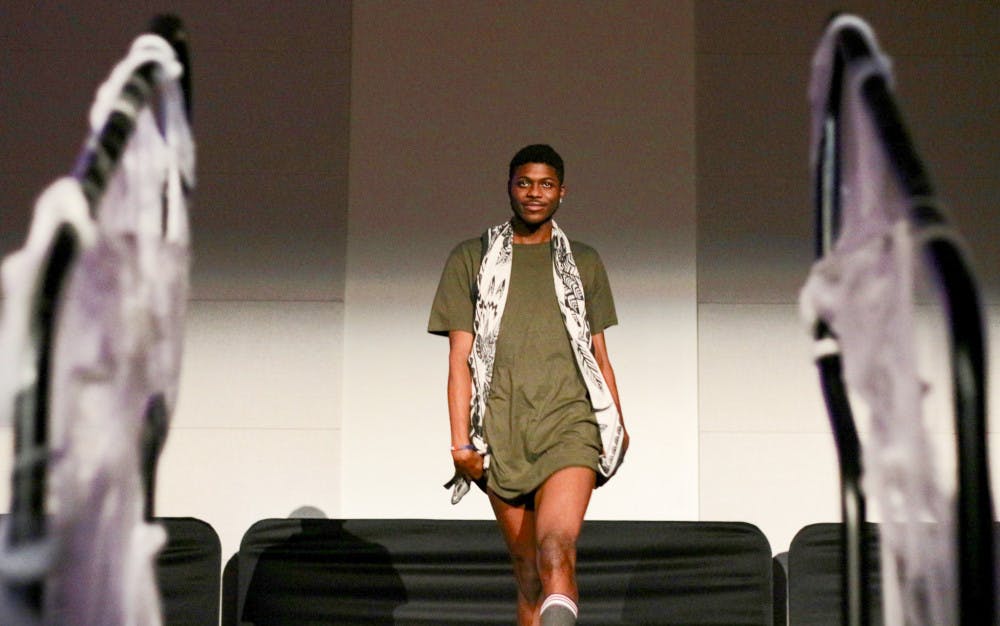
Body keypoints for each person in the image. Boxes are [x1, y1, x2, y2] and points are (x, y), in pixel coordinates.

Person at [428, 144, 629, 626]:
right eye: (524, 183)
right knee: (529, 575)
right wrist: (461, 444)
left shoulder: (584, 261)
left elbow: (598, 353)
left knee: (557, 548)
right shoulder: (471, 259)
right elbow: (459, 358)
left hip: (570, 424)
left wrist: (616, 424)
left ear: (562, 192)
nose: (534, 193)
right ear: (509, 188)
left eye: (545, 184)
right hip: (500, 430)